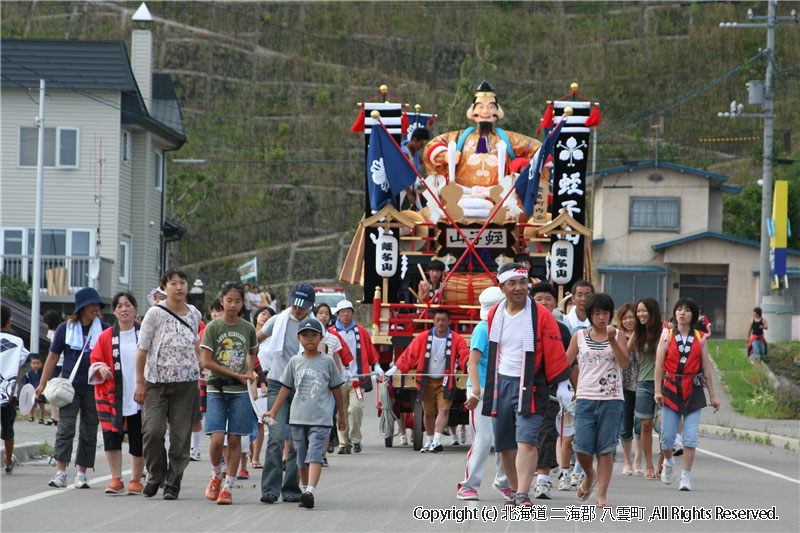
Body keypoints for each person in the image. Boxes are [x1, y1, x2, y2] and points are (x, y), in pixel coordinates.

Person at [481, 263, 571, 507]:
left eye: (523, 283)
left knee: (527, 441)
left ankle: (522, 493)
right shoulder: (494, 315)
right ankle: (514, 488)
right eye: (513, 283)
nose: (519, 288)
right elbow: (493, 352)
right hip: (501, 382)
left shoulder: (540, 314)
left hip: (530, 384)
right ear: (502, 287)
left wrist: (562, 383)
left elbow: (554, 349)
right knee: (505, 446)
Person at [134, 269, 203, 500]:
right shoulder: (154, 313)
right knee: (152, 431)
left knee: (181, 438)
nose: (179, 287)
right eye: (173, 283)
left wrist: (201, 365)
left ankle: (173, 483)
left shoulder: (194, 313)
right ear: (164, 286)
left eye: (183, 282)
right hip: (156, 382)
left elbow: (195, 342)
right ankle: (155, 475)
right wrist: (139, 383)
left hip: (187, 383)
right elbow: (142, 349)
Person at [264, 317, 347, 509]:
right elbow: (285, 388)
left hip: (321, 418)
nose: (309, 338)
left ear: (321, 338)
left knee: (315, 455)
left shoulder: (327, 362)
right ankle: (304, 489)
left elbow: (337, 390)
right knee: (300, 458)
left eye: (314, 335)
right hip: (298, 418)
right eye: (305, 335)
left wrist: (341, 415)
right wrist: (273, 411)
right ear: (299, 338)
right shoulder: (294, 361)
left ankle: (311, 490)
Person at [37, 287, 110, 489]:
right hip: (69, 388)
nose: (96, 308)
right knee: (65, 428)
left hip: (94, 387)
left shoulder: (104, 329)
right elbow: (52, 356)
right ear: (82, 307)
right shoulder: (65, 329)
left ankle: (82, 473)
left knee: (89, 430)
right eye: (92, 305)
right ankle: (61, 472)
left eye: (98, 305)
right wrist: (42, 383)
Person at [566, 293, 628, 508]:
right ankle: (589, 475)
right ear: (590, 315)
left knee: (605, 448)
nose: (601, 318)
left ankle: (601, 495)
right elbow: (566, 363)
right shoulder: (579, 336)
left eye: (605, 313)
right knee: (581, 446)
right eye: (596, 313)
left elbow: (625, 364)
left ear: (611, 314)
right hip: (585, 397)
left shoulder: (619, 336)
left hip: (612, 399)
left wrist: (612, 340)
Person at [256, 282, 316, 504]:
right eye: (294, 304)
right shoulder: (277, 320)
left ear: (310, 306)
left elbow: (322, 354)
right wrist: (249, 364)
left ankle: (290, 487)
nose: (297, 310)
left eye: (302, 306)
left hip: (303, 386)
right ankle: (270, 488)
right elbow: (256, 341)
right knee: (276, 436)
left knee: (297, 439)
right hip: (277, 383)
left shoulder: (315, 325)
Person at [200, 282, 258, 505]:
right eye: (229, 300)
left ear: (243, 303)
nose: (233, 305)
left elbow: (252, 352)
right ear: (222, 301)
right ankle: (216, 475)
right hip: (216, 388)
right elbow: (207, 362)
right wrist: (236, 375)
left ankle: (228, 488)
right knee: (217, 439)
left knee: (235, 438)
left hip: (240, 391)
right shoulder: (213, 328)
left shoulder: (247, 328)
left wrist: (249, 370)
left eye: (238, 301)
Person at [423, 81, 542, 188]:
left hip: (499, 200)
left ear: (498, 111)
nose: (485, 112)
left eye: (490, 107)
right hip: (462, 198)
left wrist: (520, 165)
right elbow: (431, 148)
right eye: (480, 107)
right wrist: (446, 156)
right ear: (472, 111)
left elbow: (539, 149)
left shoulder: (507, 139)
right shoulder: (460, 137)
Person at [655, 298, 720, 491]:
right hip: (671, 387)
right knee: (666, 437)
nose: (682, 313)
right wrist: (657, 390)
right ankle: (668, 462)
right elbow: (659, 365)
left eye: (687, 310)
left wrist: (713, 396)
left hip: (693, 388)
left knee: (690, 437)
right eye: (679, 309)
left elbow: (706, 369)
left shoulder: (701, 337)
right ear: (675, 313)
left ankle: (685, 477)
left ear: (693, 315)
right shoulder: (667, 334)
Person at [457, 287, 512, 501]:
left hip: (503, 388)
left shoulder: (508, 327)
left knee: (505, 438)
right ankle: (468, 486)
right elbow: (473, 361)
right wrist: (477, 392)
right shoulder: (482, 329)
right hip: (480, 389)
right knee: (484, 438)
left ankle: (504, 482)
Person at [387, 309, 469, 453]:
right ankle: (430, 440)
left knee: (444, 409)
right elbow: (410, 353)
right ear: (433, 321)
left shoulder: (456, 338)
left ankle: (437, 440)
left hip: (445, 380)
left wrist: (470, 366)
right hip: (426, 380)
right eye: (438, 320)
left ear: (449, 322)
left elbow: (464, 354)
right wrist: (395, 369)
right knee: (429, 412)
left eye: (444, 320)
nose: (441, 323)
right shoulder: (423, 337)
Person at [87, 291, 145, 495]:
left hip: (139, 394)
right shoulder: (105, 337)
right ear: (114, 311)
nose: (124, 309)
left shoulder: (144, 334)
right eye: (119, 306)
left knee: (138, 438)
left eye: (128, 305)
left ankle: (136, 480)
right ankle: (116, 478)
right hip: (112, 395)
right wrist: (101, 368)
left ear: (135, 308)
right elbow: (95, 360)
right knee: (111, 436)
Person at [530, 282, 574, 499]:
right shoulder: (523, 325)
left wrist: (572, 388)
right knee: (526, 435)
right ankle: (518, 478)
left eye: (548, 299)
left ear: (555, 303)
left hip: (550, 390)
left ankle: (543, 480)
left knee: (548, 433)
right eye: (539, 299)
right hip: (525, 388)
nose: (544, 303)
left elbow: (569, 363)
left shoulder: (563, 330)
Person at [331, 299, 382, 454]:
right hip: (338, 380)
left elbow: (371, 350)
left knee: (356, 408)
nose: (346, 315)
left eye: (349, 311)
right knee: (341, 412)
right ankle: (343, 443)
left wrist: (376, 365)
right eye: (343, 312)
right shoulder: (331, 333)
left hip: (357, 379)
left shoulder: (361, 331)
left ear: (353, 313)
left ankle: (356, 439)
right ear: (338, 315)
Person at [629, 296, 662, 481]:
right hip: (644, 382)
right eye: (638, 311)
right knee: (646, 424)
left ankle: (663, 461)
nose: (640, 314)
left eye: (644, 311)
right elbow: (623, 352)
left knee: (664, 426)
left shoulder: (666, 329)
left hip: (666, 383)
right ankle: (649, 464)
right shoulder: (638, 333)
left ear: (653, 312)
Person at [1, 303, 29, 474]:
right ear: (9, 322)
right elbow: (20, 364)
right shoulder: (16, 342)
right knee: (8, 429)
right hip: (8, 393)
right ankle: (8, 459)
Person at [616, 303, 642, 477]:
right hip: (623, 384)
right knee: (625, 426)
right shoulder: (617, 337)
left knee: (640, 425)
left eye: (631, 317)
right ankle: (627, 461)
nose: (628, 321)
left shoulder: (643, 335)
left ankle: (638, 459)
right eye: (624, 318)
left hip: (641, 383)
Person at [42, 309, 63, 425]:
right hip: (55, 363)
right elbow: (52, 350)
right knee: (50, 388)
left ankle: (59, 415)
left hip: (64, 363)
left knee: (64, 389)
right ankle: (54, 415)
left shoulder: (64, 330)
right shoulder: (50, 333)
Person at [22, 354, 46, 423]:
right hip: (32, 391)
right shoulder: (29, 373)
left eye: (38, 363)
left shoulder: (43, 372)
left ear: (41, 364)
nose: (36, 365)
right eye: (34, 363)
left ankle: (41, 418)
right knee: (31, 405)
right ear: (30, 364)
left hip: (41, 392)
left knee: (42, 405)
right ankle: (31, 416)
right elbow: (25, 382)